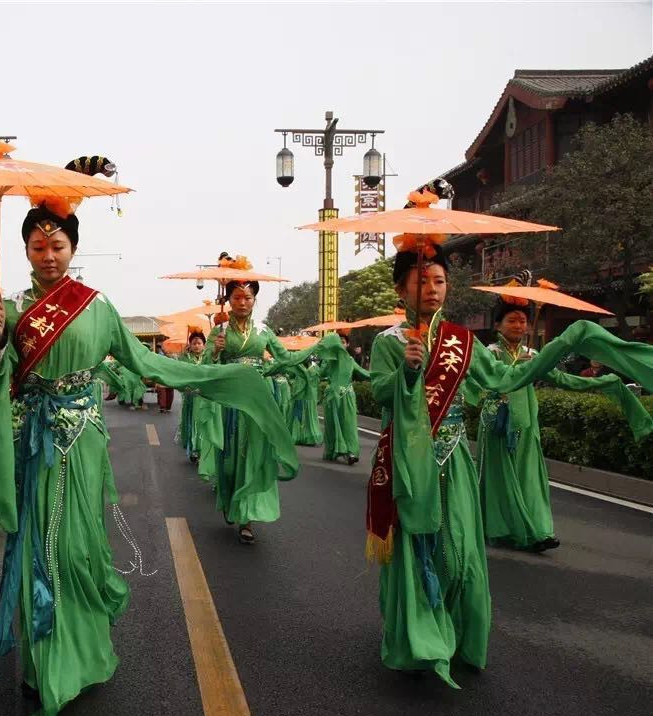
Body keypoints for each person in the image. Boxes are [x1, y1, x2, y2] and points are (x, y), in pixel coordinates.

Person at [0, 168, 297, 716]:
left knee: (76, 549)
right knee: (37, 549)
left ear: (73, 249)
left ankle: (80, 652)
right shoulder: (11, 307)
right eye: (38, 247)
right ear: (24, 250)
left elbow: (142, 360)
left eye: (58, 245)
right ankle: (46, 663)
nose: (48, 255)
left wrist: (210, 377)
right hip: (34, 442)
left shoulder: (95, 306)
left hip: (82, 441)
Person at [364, 226, 653, 688]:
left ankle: (454, 632)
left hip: (455, 456)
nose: (432, 289)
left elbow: (502, 379)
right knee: (416, 550)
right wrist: (408, 370)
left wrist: (564, 343)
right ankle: (417, 640)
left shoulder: (462, 341)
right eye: (422, 281)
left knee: (459, 553)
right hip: (408, 461)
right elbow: (381, 393)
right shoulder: (389, 343)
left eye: (439, 281)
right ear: (401, 289)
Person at [474, 300, 647, 552]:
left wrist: (601, 383)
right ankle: (502, 528)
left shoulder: (535, 356)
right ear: (497, 325)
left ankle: (537, 531)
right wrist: (518, 368)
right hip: (497, 423)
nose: (518, 325)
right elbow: (484, 380)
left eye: (522, 321)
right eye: (511, 320)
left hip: (527, 424)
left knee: (530, 478)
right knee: (500, 476)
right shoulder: (490, 354)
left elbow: (562, 379)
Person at [204, 277, 312, 544]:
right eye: (237, 297)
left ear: (254, 300)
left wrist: (317, 348)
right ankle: (230, 498)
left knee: (254, 455)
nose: (242, 302)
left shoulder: (264, 330)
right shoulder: (219, 331)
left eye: (248, 297)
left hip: (259, 400)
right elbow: (205, 365)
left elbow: (284, 358)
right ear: (228, 300)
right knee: (230, 456)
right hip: (232, 399)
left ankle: (247, 518)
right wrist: (215, 353)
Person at [320, 332, 369, 464]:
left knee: (349, 424)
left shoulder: (350, 360)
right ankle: (331, 450)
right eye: (338, 342)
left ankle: (351, 452)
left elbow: (364, 373)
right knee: (331, 424)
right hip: (331, 396)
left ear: (347, 345)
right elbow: (321, 373)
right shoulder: (329, 359)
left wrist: (381, 377)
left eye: (343, 342)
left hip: (347, 395)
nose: (340, 344)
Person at [176, 329, 206, 461]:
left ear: (204, 345)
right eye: (194, 343)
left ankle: (204, 449)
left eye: (199, 343)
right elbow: (181, 373)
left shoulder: (208, 358)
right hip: (191, 395)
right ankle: (194, 449)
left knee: (204, 422)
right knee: (192, 421)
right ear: (190, 345)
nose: (197, 346)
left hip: (205, 395)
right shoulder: (185, 358)